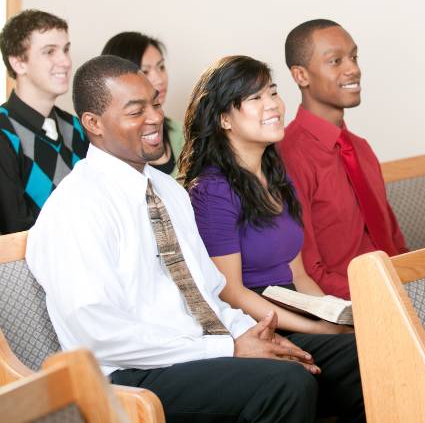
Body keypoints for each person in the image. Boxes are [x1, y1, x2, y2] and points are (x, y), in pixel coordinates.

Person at [25, 55, 362, 423]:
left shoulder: (167, 190)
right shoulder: (77, 206)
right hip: (131, 375)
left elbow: (208, 293)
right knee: (286, 382)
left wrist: (251, 335)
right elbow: (99, 333)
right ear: (93, 123)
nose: (155, 117)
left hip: (204, 350)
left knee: (361, 355)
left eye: (155, 103)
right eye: (136, 111)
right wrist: (227, 347)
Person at [180, 55, 353, 338]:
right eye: (255, 98)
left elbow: (298, 275)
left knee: (376, 335)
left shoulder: (278, 176)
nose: (272, 104)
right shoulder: (212, 191)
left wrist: (333, 318)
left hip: (294, 306)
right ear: (224, 119)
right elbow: (232, 294)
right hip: (259, 322)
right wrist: (316, 328)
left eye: (272, 92)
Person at [279, 19, 407, 299]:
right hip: (351, 305)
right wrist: (383, 295)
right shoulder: (288, 156)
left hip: (397, 291)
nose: (353, 69)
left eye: (354, 57)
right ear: (301, 76)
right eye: (336, 61)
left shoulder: (361, 149)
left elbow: (396, 243)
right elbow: (309, 271)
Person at [0, 9, 87, 234]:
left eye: (66, 49)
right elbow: (14, 230)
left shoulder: (77, 127)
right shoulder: (3, 133)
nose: (66, 62)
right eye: (50, 51)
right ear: (19, 63)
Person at [102, 31, 183, 177]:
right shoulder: (108, 147)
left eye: (161, 67)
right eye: (145, 71)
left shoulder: (181, 134)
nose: (159, 79)